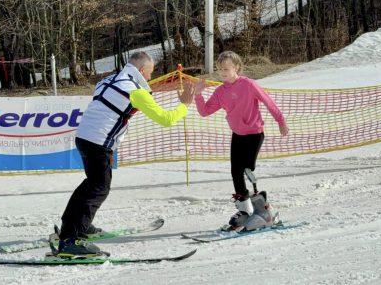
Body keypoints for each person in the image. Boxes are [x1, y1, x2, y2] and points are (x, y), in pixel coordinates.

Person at [56, 51, 195, 258]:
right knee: (99, 188)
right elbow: (165, 119)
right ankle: (70, 240)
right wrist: (184, 105)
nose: (149, 77)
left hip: (84, 137)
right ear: (141, 70)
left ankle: (73, 226)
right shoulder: (135, 91)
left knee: (92, 184)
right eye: (149, 73)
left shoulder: (107, 80)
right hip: (98, 142)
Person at [194, 51, 289, 230]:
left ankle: (265, 210)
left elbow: (268, 102)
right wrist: (198, 95)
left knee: (247, 168)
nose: (222, 72)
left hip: (254, 133)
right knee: (235, 172)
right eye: (219, 69)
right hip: (237, 135)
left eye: (226, 69)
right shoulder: (220, 91)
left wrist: (281, 121)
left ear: (237, 67)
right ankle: (245, 210)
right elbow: (205, 111)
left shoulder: (249, 85)